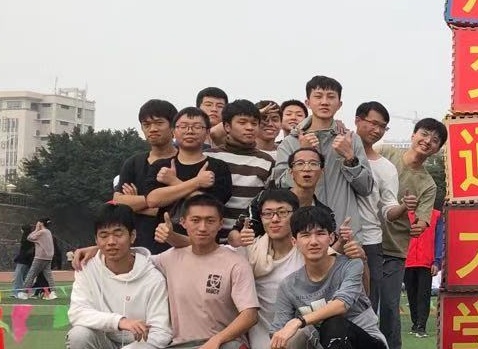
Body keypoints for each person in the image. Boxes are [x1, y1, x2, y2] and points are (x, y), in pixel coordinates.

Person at [137, 194, 259, 349]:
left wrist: (216, 340)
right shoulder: (168, 258)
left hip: (223, 345)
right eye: (195, 220)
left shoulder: (235, 262)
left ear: (220, 223)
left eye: (210, 221)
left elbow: (250, 314)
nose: (202, 227)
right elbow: (131, 259)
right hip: (182, 347)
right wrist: (94, 249)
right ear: (183, 222)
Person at [269, 205, 390, 349]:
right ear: (294, 241)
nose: (313, 241)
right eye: (305, 235)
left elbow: (341, 305)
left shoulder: (350, 265)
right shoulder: (288, 285)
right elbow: (276, 342)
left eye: (320, 233)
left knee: (334, 322)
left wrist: (299, 322)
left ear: (331, 238)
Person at [64, 205, 172, 349]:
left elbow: (162, 332)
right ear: (96, 240)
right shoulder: (86, 268)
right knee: (78, 335)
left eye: (118, 234)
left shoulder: (153, 277)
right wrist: (120, 321)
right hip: (105, 343)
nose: (111, 242)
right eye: (103, 236)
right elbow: (77, 312)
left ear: (132, 236)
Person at [227, 189, 308, 349]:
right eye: (268, 213)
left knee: (298, 339)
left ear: (295, 215)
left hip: (303, 341)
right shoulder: (249, 252)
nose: (275, 219)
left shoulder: (308, 249)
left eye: (283, 213)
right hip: (264, 348)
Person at [378, 118, 443, 349]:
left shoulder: (428, 184)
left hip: (394, 250)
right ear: (414, 134)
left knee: (390, 311)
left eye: (435, 140)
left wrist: (417, 224)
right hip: (361, 244)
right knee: (359, 308)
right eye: (424, 134)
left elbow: (422, 223)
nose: (427, 141)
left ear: (437, 149)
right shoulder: (385, 153)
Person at [270, 76, 374, 239]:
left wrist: (350, 158)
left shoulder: (350, 140)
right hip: (304, 234)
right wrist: (304, 153)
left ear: (339, 104)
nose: (324, 102)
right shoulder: (290, 142)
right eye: (318, 96)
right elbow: (279, 187)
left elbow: (366, 188)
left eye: (331, 97)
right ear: (308, 102)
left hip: (345, 232)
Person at [145, 107, 234, 246]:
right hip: (164, 242)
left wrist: (173, 181)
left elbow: (210, 206)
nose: (190, 131)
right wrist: (197, 182)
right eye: (183, 126)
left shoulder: (218, 167)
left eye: (197, 127)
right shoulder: (161, 166)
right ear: (173, 131)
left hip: (205, 246)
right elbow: (152, 200)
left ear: (207, 132)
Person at [350, 100, 399, 344]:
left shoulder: (386, 167)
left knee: (368, 305)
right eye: (373, 123)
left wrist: (403, 209)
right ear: (357, 120)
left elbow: (388, 209)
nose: (377, 130)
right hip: (334, 239)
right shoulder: (336, 153)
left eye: (383, 127)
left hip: (370, 241)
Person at [111, 98, 178, 254]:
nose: (152, 129)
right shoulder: (133, 163)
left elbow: (182, 207)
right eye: (146, 125)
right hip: (137, 247)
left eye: (159, 123)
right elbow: (119, 204)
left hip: (174, 247)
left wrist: (136, 204)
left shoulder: (183, 161)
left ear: (173, 126)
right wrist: (158, 203)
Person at [211, 100, 276, 236]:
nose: (249, 128)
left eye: (254, 123)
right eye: (242, 122)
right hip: (211, 237)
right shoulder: (210, 156)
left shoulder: (267, 161)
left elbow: (267, 203)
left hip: (247, 237)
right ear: (227, 126)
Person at [404, 207, 443, 337]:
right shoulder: (405, 214)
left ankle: (421, 325)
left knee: (424, 295)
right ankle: (415, 323)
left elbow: (439, 239)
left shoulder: (436, 215)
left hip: (426, 261)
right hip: (407, 260)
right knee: (411, 294)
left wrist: (437, 261)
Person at [17, 219, 56, 300]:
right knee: (48, 275)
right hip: (48, 257)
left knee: (31, 274)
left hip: (40, 257)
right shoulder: (48, 232)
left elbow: (29, 237)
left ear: (41, 223)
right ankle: (53, 292)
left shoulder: (41, 232)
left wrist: (36, 229)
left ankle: (24, 292)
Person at [10, 225, 34, 298]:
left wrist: (19, 258)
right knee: (26, 277)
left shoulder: (25, 238)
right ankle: (27, 292)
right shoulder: (32, 238)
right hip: (29, 261)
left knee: (18, 276)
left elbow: (24, 252)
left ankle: (17, 292)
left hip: (23, 261)